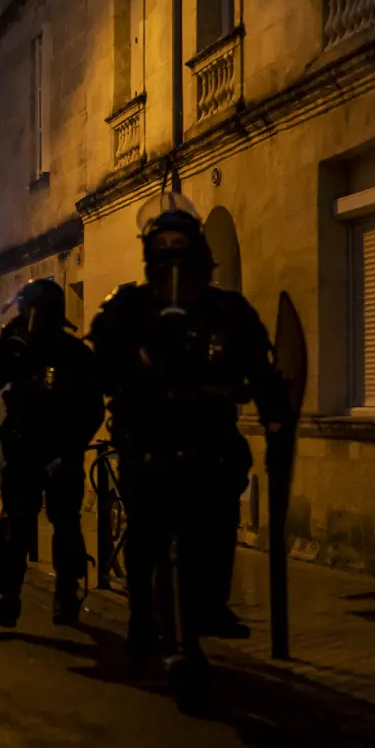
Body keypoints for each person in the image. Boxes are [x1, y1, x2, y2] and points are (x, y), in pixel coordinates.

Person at [89, 205, 292, 656]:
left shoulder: (226, 311)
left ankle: (213, 603)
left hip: (209, 439)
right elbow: (99, 370)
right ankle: (141, 615)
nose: (171, 260)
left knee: (219, 523)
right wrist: (133, 362)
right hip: (148, 439)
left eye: (180, 249)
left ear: (198, 252)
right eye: (161, 250)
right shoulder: (129, 310)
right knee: (144, 531)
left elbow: (261, 369)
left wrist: (276, 416)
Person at [0, 279, 105, 627]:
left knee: (62, 523)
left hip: (59, 452)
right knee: (15, 523)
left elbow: (92, 408)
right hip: (25, 451)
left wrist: (69, 449)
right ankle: (9, 594)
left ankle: (66, 594)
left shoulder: (74, 354)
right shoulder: (20, 350)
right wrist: (6, 346)